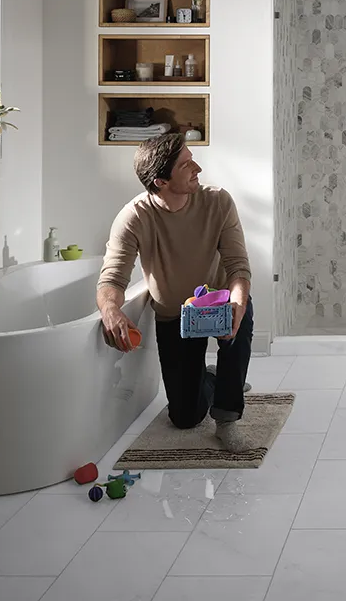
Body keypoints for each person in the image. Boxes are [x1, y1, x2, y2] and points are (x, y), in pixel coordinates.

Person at [97, 133, 255, 453]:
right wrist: (111, 311)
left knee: (243, 316)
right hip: (175, 315)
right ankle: (209, 381)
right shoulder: (134, 217)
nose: (196, 167)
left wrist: (238, 302)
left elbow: (238, 266)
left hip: (221, 305)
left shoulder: (218, 201)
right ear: (161, 181)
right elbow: (112, 279)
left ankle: (227, 418)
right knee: (184, 417)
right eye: (186, 165)